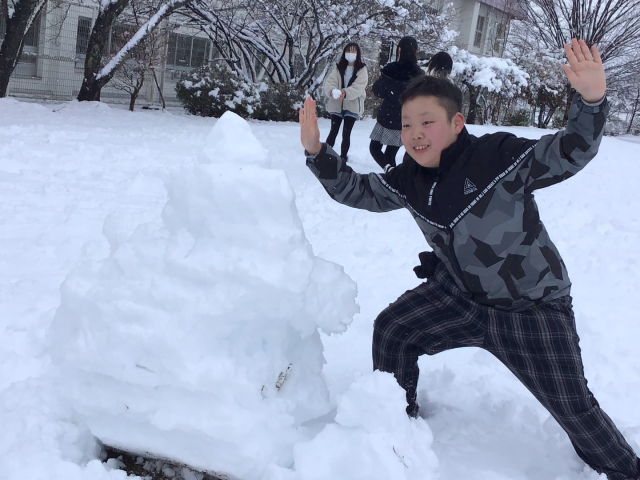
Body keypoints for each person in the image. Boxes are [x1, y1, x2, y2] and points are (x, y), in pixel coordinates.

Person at [299, 39, 640, 480]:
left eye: (427, 122)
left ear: (457, 123)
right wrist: (317, 153)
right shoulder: (407, 179)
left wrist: (591, 101)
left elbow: (570, 149)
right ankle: (395, 426)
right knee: (394, 331)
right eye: (406, 124)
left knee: (575, 410)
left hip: (532, 309)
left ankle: (626, 470)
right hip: (459, 297)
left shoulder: (497, 157)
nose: (414, 133)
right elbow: (359, 191)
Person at [369, 36, 424, 171]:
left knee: (374, 147)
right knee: (391, 153)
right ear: (416, 51)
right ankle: (392, 174)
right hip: (405, 119)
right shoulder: (419, 75)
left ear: (399, 50)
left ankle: (389, 170)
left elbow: (378, 91)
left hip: (386, 117)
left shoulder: (391, 70)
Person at [323, 43, 368, 162]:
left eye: (353, 51)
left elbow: (359, 87)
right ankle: (325, 155)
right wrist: (332, 91)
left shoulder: (362, 69)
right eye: (348, 51)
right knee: (333, 131)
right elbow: (330, 82)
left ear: (358, 53)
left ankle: (343, 157)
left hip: (353, 105)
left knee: (346, 133)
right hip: (337, 104)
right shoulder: (338, 67)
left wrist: (345, 93)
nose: (350, 54)